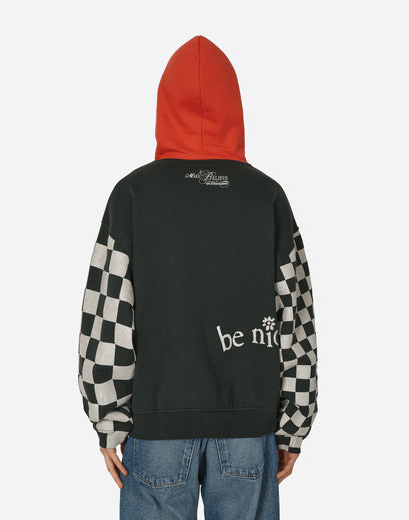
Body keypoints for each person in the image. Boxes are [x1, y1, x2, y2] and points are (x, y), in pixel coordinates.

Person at [77, 34, 318, 520]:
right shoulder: (267, 196)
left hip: (158, 427)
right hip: (248, 428)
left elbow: (108, 315)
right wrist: (293, 426)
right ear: (236, 106)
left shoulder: (132, 195)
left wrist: (108, 419)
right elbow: (296, 318)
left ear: (164, 104)